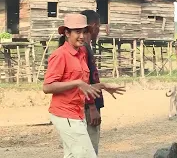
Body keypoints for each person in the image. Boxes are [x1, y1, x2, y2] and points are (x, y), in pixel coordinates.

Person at [43, 13, 125, 158]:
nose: (82, 36)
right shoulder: (60, 55)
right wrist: (77, 83)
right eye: (77, 32)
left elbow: (85, 85)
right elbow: (47, 87)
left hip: (77, 112)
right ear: (67, 33)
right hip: (65, 114)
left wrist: (103, 86)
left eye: (84, 31)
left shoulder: (81, 52)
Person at [80, 10, 104, 155]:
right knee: (90, 147)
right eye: (99, 27)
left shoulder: (86, 47)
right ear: (94, 26)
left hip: (88, 105)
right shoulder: (83, 49)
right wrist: (92, 107)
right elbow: (84, 79)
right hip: (88, 107)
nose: (98, 31)